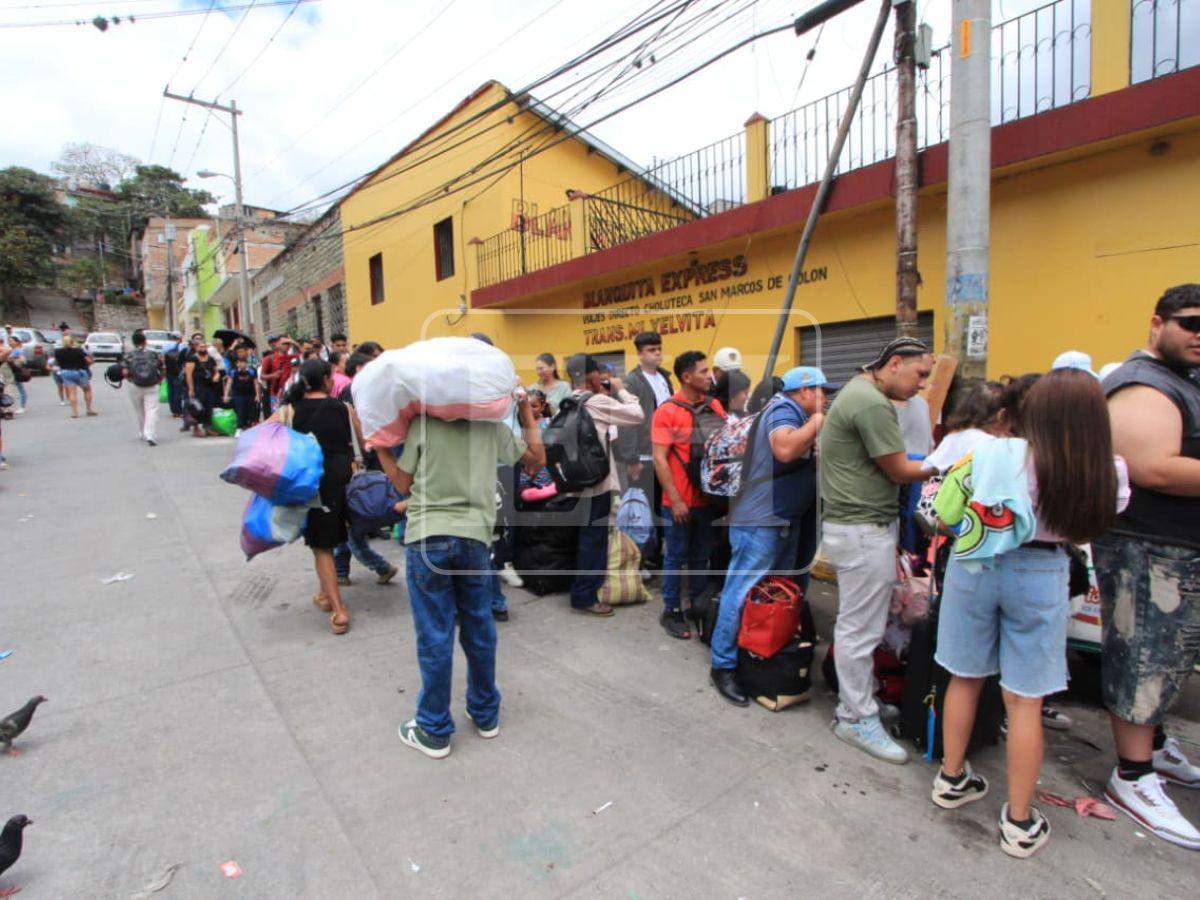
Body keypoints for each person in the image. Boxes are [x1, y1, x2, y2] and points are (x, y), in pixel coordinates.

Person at [932, 369, 1125, 859]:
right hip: (1041, 571)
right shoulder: (1102, 468)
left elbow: (947, 512)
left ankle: (951, 779)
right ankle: (1019, 821)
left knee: (964, 677)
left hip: (974, 563)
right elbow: (1098, 523)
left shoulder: (991, 452)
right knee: (1024, 701)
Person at [375, 379, 545, 760]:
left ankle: (433, 729)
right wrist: (523, 408)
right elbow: (537, 459)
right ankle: (485, 714)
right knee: (479, 627)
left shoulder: (423, 425)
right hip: (474, 539)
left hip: (428, 539)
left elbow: (402, 484)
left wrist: (379, 448)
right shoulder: (490, 426)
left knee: (435, 634)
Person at [1094, 283, 1200, 850]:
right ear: (1158, 323)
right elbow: (1151, 466)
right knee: (1144, 659)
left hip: (1174, 549)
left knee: (1169, 659)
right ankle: (1132, 775)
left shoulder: (1179, 382)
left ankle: (1153, 747)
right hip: (1148, 549)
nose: (1199, 335)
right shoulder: (1143, 383)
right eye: (1191, 323)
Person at [819, 337, 933, 764]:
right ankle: (854, 717)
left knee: (861, 624)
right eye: (920, 374)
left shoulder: (860, 393)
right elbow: (900, 469)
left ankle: (860, 701)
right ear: (895, 363)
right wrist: (952, 461)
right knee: (860, 628)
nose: (922, 384)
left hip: (860, 527)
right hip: (862, 529)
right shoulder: (870, 403)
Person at [708, 367, 828, 704]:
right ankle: (723, 665)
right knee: (741, 590)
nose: (826, 399)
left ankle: (759, 657)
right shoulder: (782, 409)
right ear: (804, 390)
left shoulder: (794, 413)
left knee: (773, 591)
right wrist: (818, 422)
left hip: (781, 519)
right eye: (822, 391)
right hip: (760, 521)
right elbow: (785, 449)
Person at [275, 359, 355, 635]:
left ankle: (338, 609)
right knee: (327, 540)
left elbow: (260, 435)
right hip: (340, 481)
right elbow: (362, 441)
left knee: (322, 546)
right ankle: (325, 595)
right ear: (325, 379)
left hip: (308, 484)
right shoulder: (343, 408)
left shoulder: (289, 409)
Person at [562, 353, 645, 616]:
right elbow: (637, 415)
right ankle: (585, 596)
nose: (602, 377)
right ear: (590, 375)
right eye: (598, 372)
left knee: (585, 537)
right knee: (594, 539)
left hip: (575, 481)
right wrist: (621, 390)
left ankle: (580, 588)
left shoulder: (568, 400)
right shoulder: (596, 401)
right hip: (597, 482)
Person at [651, 350, 726, 639]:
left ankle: (697, 605)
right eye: (703, 371)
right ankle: (671, 610)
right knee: (675, 556)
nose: (710, 376)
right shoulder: (666, 411)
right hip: (679, 501)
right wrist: (675, 499)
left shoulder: (714, 406)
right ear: (686, 377)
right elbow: (660, 459)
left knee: (701, 556)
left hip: (708, 500)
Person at [121, 330, 163, 446]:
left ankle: (143, 432)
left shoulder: (129, 355)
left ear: (133, 342)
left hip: (135, 385)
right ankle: (150, 434)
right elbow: (162, 368)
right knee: (151, 410)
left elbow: (125, 372)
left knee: (139, 411)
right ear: (145, 341)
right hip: (152, 385)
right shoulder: (153, 354)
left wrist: (130, 379)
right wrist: (160, 380)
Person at [184, 338, 222, 438]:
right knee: (197, 408)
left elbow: (216, 371)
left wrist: (216, 376)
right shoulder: (192, 359)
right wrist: (191, 389)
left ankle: (207, 427)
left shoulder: (210, 359)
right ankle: (196, 428)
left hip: (209, 387)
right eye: (201, 347)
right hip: (198, 387)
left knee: (209, 407)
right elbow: (188, 375)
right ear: (196, 348)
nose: (203, 348)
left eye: (204, 347)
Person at [53, 334, 96, 418]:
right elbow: (89, 361)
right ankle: (89, 409)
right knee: (87, 390)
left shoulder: (58, 352)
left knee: (72, 392)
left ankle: (74, 412)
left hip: (66, 372)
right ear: (72, 342)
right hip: (79, 371)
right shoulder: (78, 350)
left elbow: (57, 363)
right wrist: (87, 365)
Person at [223, 354, 261, 434]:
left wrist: (257, 395)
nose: (240, 364)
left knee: (251, 412)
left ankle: (249, 427)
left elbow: (256, 384)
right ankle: (239, 428)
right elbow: (229, 384)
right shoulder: (233, 372)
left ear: (246, 363)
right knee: (240, 412)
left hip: (250, 395)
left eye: (242, 362)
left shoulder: (251, 372)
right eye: (238, 363)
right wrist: (226, 395)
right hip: (238, 395)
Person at [5, 335, 29, 414]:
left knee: (20, 389)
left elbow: (23, 360)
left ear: (17, 342)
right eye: (9, 341)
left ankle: (22, 407)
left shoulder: (18, 350)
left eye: (12, 341)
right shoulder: (11, 350)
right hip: (10, 373)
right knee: (14, 389)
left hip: (16, 372)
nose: (10, 342)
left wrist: (13, 360)